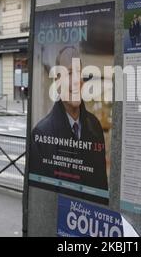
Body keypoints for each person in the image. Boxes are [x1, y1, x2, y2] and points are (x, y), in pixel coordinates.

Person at [30, 46, 108, 192]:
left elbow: (101, 186)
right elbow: (41, 196)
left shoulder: (95, 126)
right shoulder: (41, 133)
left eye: (79, 73)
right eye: (70, 73)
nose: (77, 80)